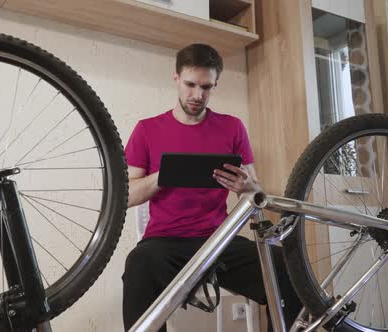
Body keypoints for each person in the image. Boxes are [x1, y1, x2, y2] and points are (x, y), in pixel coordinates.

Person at [122, 44, 301, 332]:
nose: (197, 95)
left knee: (288, 269)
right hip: (165, 243)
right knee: (139, 265)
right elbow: (126, 196)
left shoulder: (232, 128)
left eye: (206, 87)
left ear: (215, 84)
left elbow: (255, 193)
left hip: (219, 242)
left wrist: (247, 186)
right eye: (190, 84)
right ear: (176, 78)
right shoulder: (147, 129)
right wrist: (162, 176)